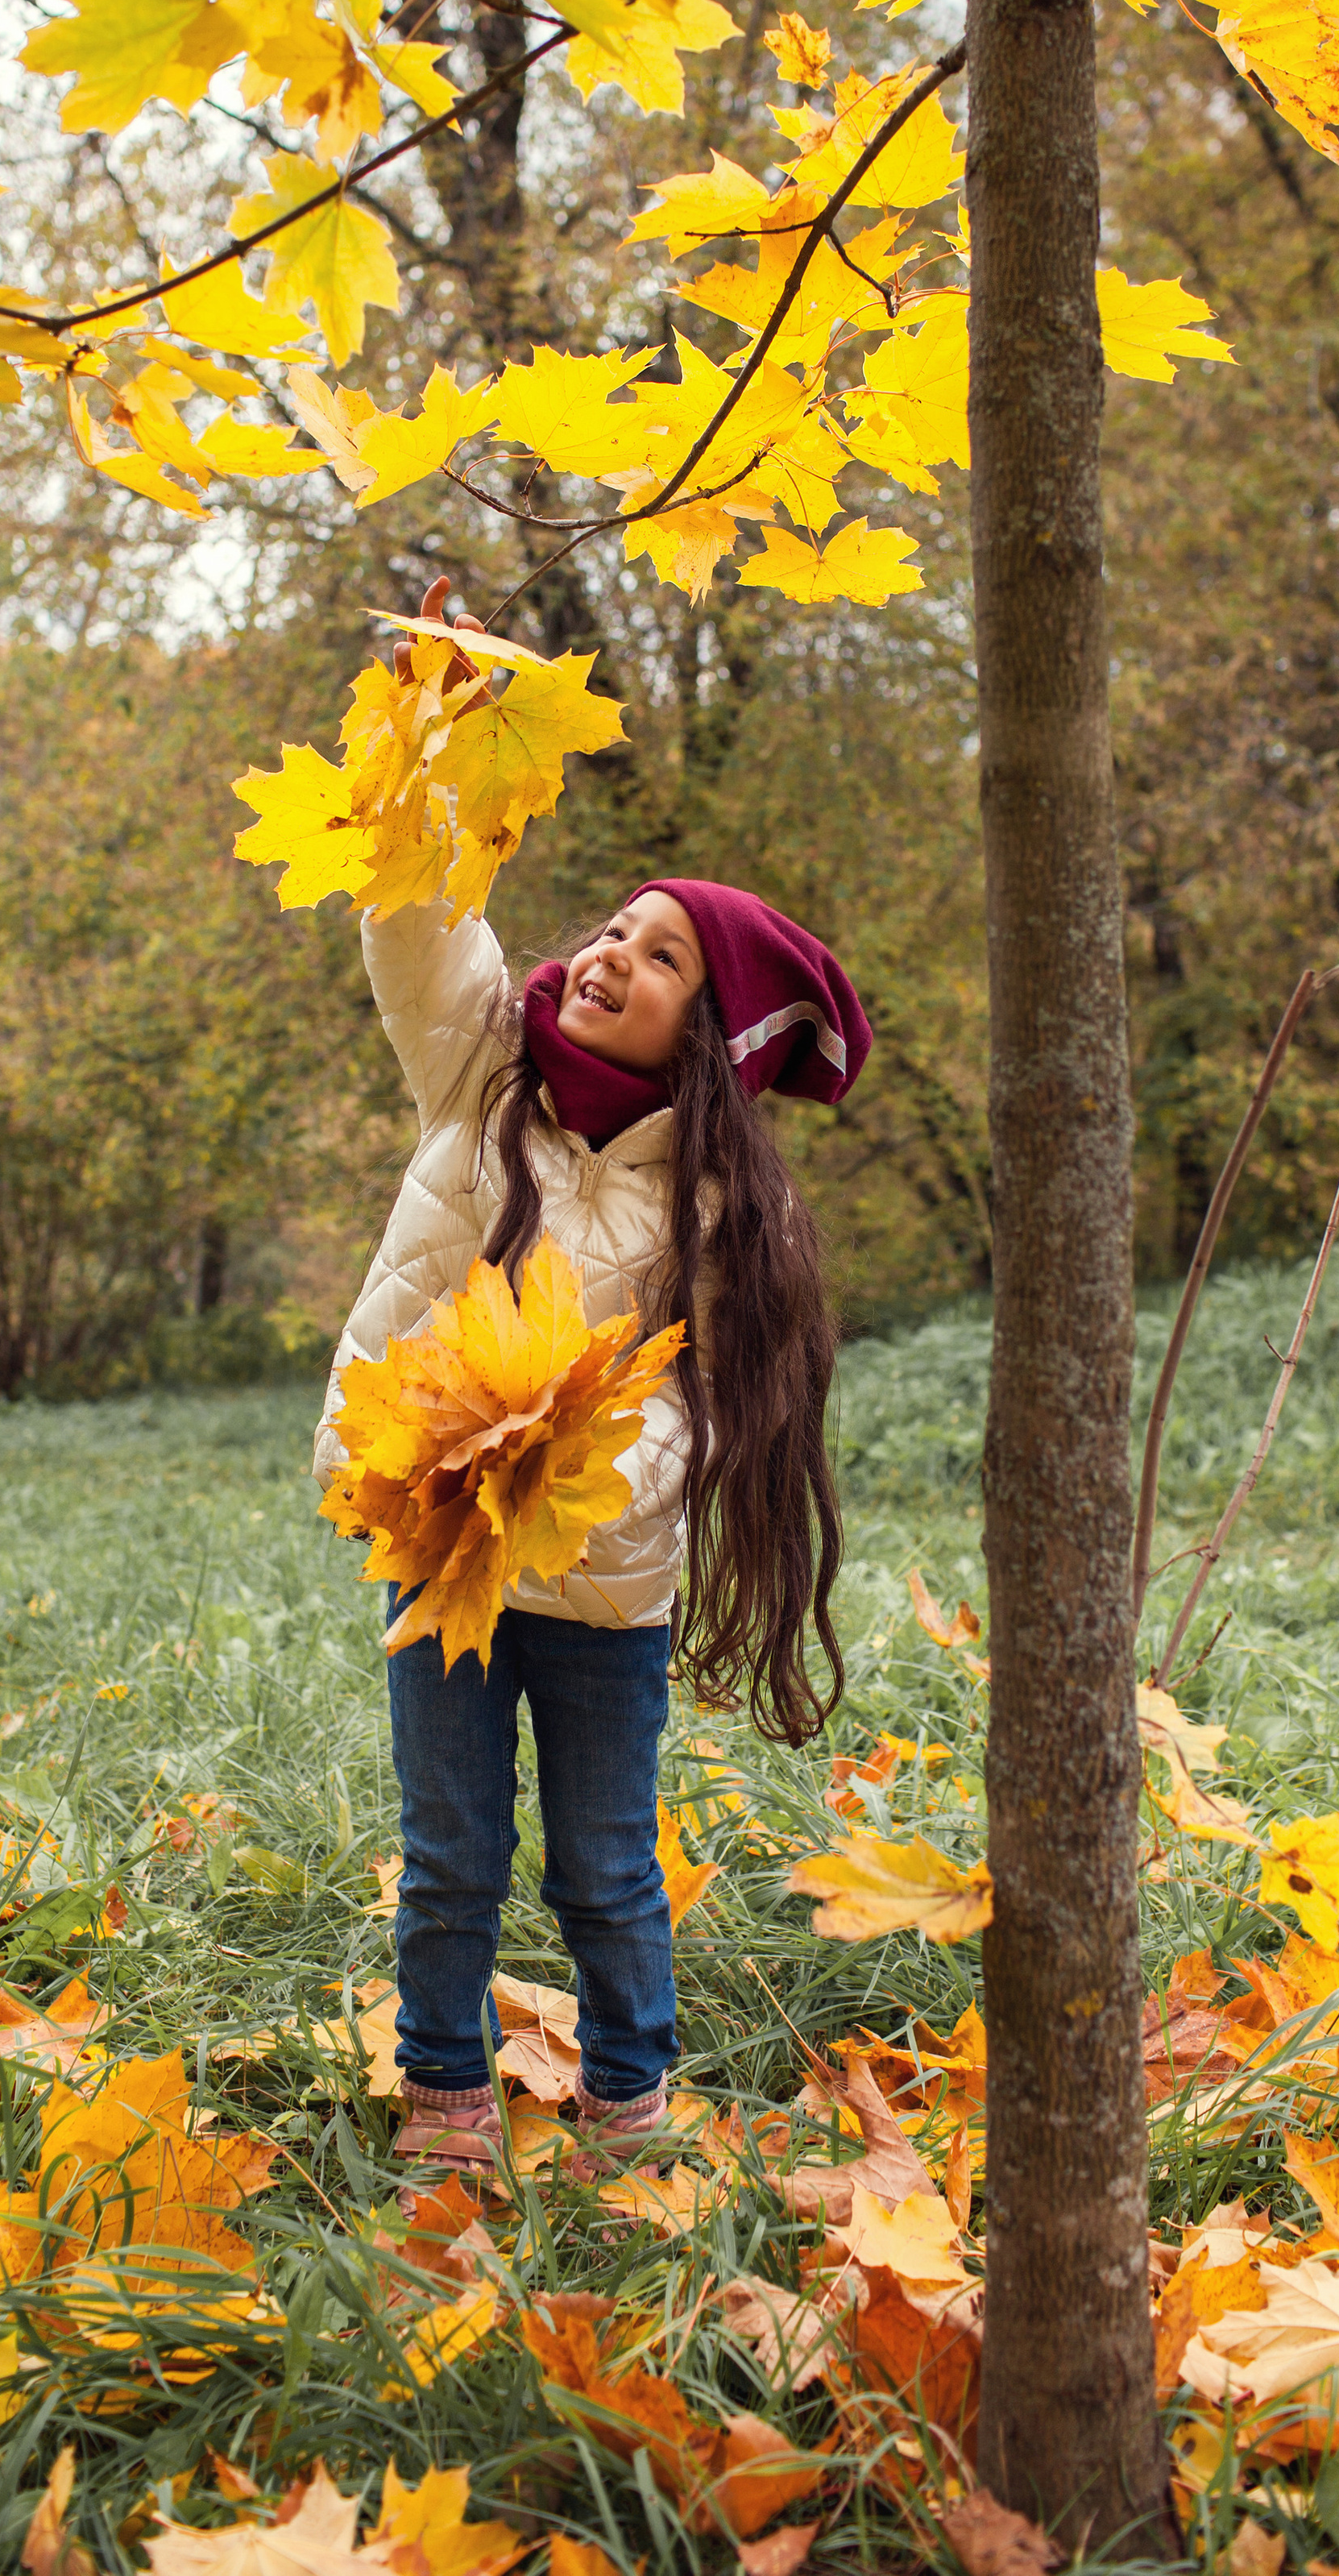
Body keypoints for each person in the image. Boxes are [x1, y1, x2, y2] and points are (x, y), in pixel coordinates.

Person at [314, 579, 871, 2188]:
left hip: (605, 1586)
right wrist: (431, 740)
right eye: (613, 928)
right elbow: (418, 927)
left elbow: (704, 1414)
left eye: (660, 955)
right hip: (439, 1557)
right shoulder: (483, 1070)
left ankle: (631, 2112)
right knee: (447, 1860)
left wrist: (578, 1476)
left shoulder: (717, 1212)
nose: (609, 955)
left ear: (716, 1035)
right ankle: (446, 2106)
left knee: (606, 1869)